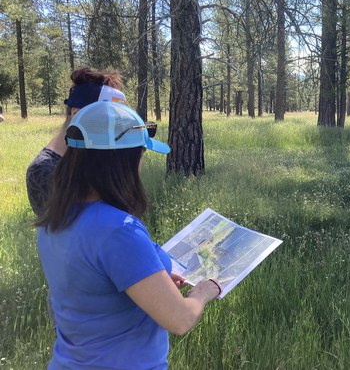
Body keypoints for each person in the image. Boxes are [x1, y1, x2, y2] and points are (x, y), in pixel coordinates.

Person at [35, 101, 222, 369]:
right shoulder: (118, 230)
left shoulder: (54, 217)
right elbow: (179, 320)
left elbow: (90, 283)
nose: (141, 166)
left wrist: (147, 279)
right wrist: (204, 292)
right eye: (140, 156)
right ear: (122, 163)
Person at [26, 67, 126, 218]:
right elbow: (73, 232)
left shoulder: (91, 153)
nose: (112, 128)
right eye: (106, 119)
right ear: (77, 114)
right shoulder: (43, 170)